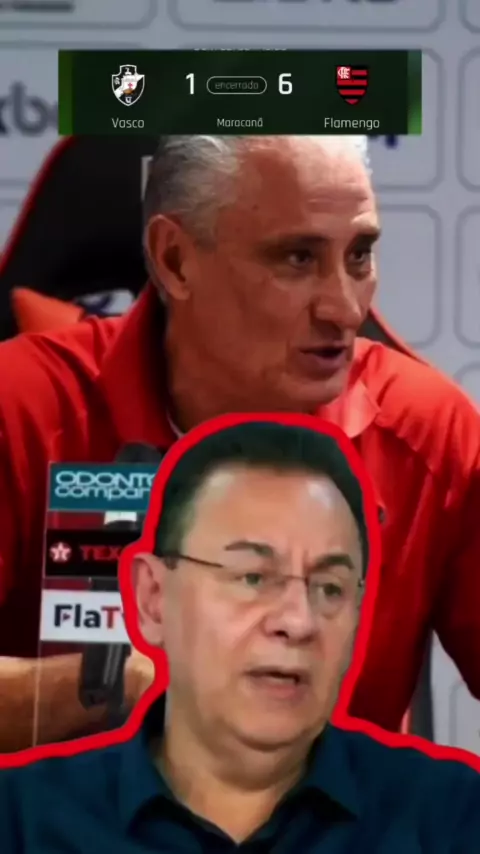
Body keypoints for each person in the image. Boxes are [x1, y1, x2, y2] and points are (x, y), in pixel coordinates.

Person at [0, 134, 479, 750]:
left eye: (359, 255)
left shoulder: (426, 432)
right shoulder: (22, 405)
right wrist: (118, 684)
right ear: (175, 261)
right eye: (297, 259)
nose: (345, 309)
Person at [1, 418, 479, 853]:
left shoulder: (451, 818)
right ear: (152, 598)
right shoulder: (21, 819)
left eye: (330, 588)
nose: (298, 622)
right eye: (252, 578)